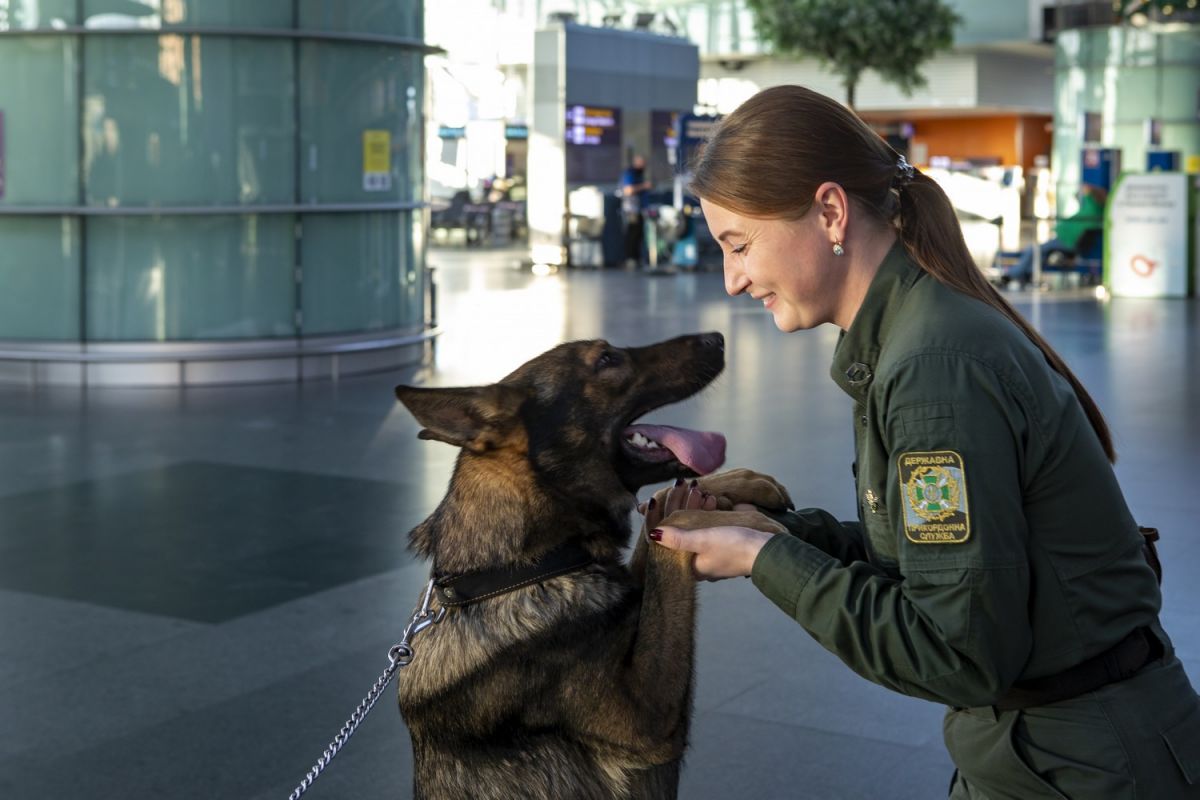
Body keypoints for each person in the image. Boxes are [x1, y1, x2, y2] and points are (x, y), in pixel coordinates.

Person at [642, 85, 1200, 798]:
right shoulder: (914, 336)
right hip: (1049, 749)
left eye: (740, 244)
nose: (734, 278)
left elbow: (956, 652)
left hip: (1084, 765)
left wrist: (763, 558)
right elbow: (932, 564)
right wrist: (773, 528)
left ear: (831, 212)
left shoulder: (933, 371)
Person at [1008, 183, 1106, 285]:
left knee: (1033, 250)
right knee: (1040, 253)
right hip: (1067, 241)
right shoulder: (1094, 210)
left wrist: (1088, 191)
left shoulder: (1091, 209)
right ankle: (1026, 274)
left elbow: (1088, 199)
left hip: (1067, 242)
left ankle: (1012, 275)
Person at [620, 154, 652, 267]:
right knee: (632, 234)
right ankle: (630, 259)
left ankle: (637, 258)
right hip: (631, 210)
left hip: (640, 210)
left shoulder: (640, 174)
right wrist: (644, 186)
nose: (643, 165)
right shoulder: (630, 173)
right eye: (640, 163)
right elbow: (628, 190)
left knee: (639, 235)